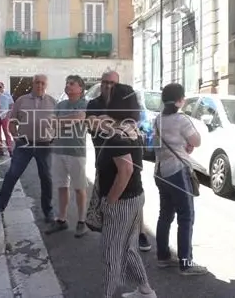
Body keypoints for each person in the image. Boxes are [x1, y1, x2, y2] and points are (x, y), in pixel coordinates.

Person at [96, 83, 156, 298]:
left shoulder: (117, 136)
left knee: (111, 252)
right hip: (135, 197)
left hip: (121, 202)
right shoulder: (132, 129)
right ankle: (145, 290)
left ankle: (107, 294)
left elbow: (126, 169)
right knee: (129, 248)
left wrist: (109, 201)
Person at [86, 71, 151, 252]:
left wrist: (108, 122)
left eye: (112, 83)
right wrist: (111, 122)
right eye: (105, 82)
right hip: (104, 156)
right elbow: (91, 124)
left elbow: (132, 127)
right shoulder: (94, 103)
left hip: (124, 156)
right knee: (105, 191)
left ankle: (140, 232)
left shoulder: (124, 105)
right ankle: (109, 228)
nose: (108, 86)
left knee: (131, 189)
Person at [154, 83, 208, 275]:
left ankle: (162, 257)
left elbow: (157, 146)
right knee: (186, 217)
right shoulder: (182, 119)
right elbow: (197, 141)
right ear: (180, 100)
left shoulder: (157, 120)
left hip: (160, 172)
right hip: (177, 171)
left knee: (165, 215)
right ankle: (185, 263)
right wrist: (187, 144)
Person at [0, 74, 55, 222]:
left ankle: (48, 211)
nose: (39, 85)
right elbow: (12, 122)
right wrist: (15, 136)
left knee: (46, 178)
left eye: (42, 83)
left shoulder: (53, 102)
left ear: (46, 85)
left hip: (44, 145)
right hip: (24, 144)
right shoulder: (21, 100)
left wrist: (53, 137)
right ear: (32, 84)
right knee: (12, 174)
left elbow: (57, 124)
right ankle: (0, 206)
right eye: (37, 83)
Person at [45, 75, 88, 238]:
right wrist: (66, 120)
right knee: (61, 186)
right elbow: (51, 122)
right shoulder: (61, 104)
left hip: (76, 152)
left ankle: (81, 221)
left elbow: (80, 118)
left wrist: (60, 120)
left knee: (79, 188)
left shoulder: (85, 104)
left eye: (72, 84)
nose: (68, 86)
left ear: (80, 89)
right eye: (67, 83)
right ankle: (61, 220)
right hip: (58, 150)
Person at [0, 81, 14, 157]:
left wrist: (9, 114)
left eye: (0, 87)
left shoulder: (7, 95)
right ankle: (0, 151)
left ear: (3, 87)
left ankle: (10, 150)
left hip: (5, 116)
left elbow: (12, 105)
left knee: (7, 133)